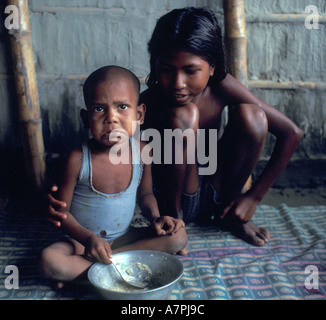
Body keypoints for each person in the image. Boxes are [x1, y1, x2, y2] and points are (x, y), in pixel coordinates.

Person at [47, 7, 302, 247]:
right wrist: (65, 186)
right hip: (172, 199)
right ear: (155, 65)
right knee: (185, 115)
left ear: (212, 67)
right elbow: (103, 144)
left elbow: (291, 133)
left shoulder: (222, 86)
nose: (178, 83)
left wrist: (253, 197)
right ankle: (174, 223)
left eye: (191, 71)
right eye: (167, 70)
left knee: (253, 116)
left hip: (218, 191)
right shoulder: (142, 105)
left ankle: (231, 215)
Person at [39, 66, 187, 285]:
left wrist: (156, 218)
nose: (111, 118)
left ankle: (90, 273)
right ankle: (121, 268)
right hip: (80, 242)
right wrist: (88, 238)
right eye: (99, 108)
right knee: (49, 261)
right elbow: (62, 214)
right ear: (85, 117)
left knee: (179, 237)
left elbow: (145, 194)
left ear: (139, 115)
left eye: (123, 107)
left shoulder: (143, 151)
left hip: (124, 238)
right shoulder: (77, 159)